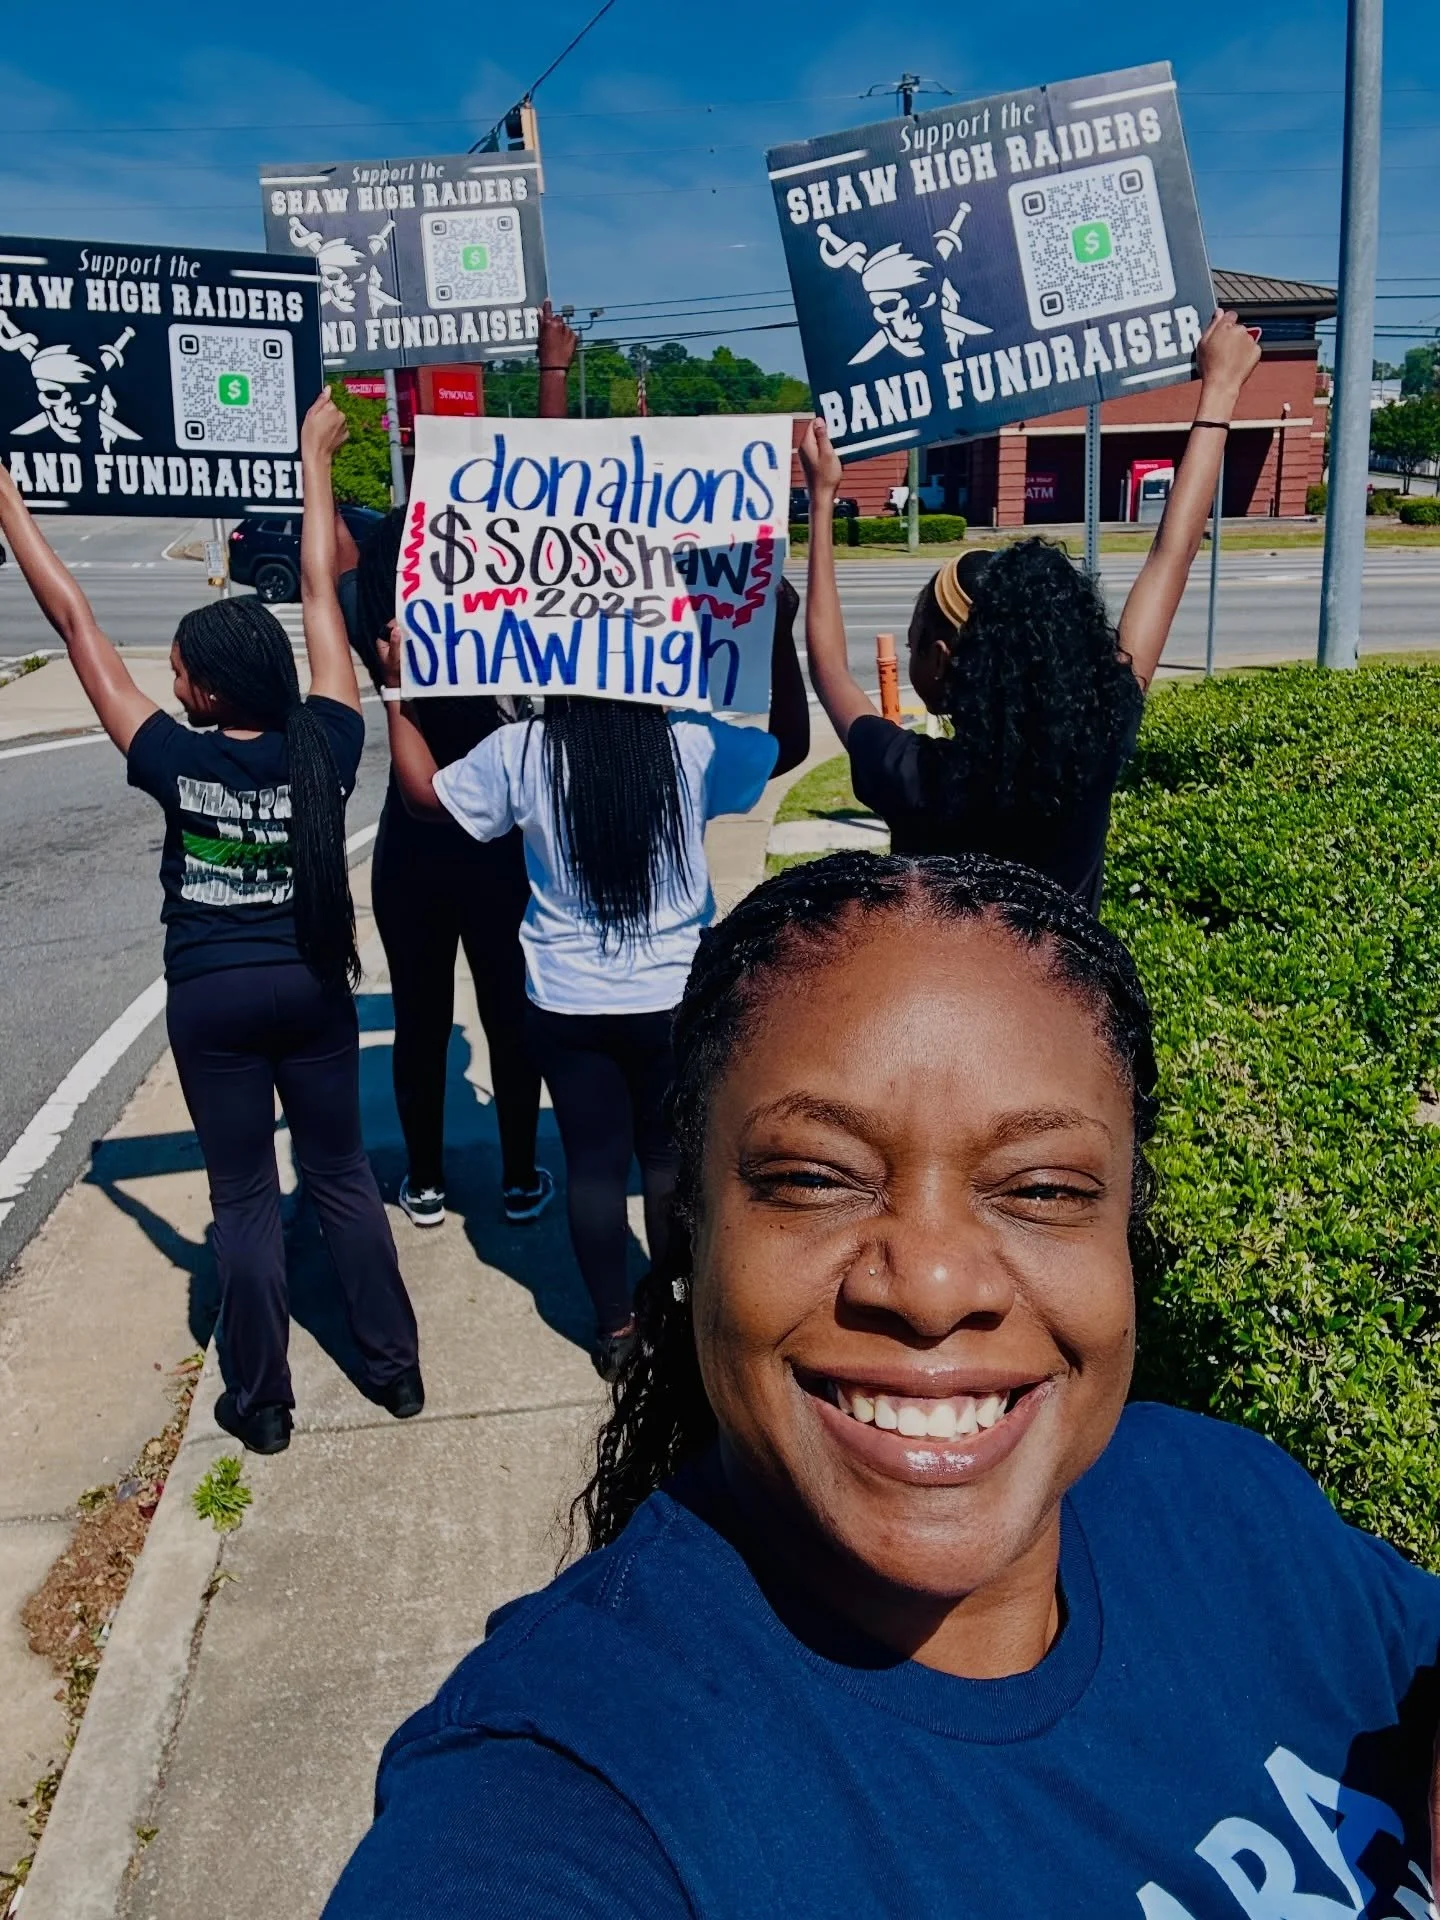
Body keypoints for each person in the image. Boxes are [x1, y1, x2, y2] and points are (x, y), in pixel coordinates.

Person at [326, 851, 1440, 1917]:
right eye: (816, 1178)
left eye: (1043, 1189)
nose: (933, 1282)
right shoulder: (572, 1797)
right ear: (692, 1229)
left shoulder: (1224, 1498)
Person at [0, 394, 421, 1455]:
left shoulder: (172, 758)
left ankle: (266, 1402)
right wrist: (310, 460)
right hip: (314, 983)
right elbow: (324, 588)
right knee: (339, 1175)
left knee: (242, 1199)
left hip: (211, 997)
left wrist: (6, 498)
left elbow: (74, 623)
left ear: (200, 686)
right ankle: (396, 1370)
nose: (171, 677)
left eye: (181, 666)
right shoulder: (325, 737)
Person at [377, 591, 809, 1378]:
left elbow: (421, 795)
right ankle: (675, 1309)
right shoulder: (692, 745)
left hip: (567, 998)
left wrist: (397, 692)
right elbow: (788, 745)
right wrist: (777, 631)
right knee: (668, 1161)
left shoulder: (525, 749)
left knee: (594, 1166)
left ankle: (615, 1330)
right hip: (674, 995)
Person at [799, 310, 1263, 911]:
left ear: (944, 664)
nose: (910, 649)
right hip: (1070, 999)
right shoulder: (1097, 740)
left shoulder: (913, 778)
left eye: (916, 640)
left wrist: (821, 498)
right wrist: (1221, 390)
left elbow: (829, 666)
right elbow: (1171, 555)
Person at [339, 304, 580, 1234]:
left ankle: (430, 1181)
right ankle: (520, 1177)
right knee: (508, 1012)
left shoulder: (376, 600)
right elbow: (554, 498)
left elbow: (324, 562)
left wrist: (313, 463)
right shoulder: (506, 585)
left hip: (414, 836)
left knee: (419, 1016)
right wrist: (550, 375)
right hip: (501, 832)